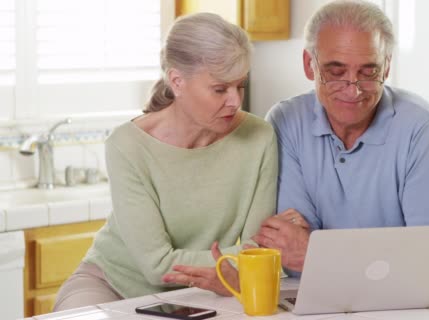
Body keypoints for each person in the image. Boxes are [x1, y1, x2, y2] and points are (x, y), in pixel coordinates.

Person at [53, 12, 278, 311]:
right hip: (112, 285)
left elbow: (258, 255)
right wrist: (230, 262)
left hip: (198, 292)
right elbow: (157, 265)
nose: (235, 101)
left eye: (240, 85)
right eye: (220, 89)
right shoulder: (128, 145)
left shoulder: (259, 137)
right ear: (177, 81)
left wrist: (234, 266)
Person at [251, 0, 429, 273]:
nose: (353, 90)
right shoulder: (286, 121)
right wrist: (381, 257)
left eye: (368, 71)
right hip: (311, 304)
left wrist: (317, 254)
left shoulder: (422, 128)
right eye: (336, 72)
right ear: (308, 64)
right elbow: (290, 253)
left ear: (386, 67)